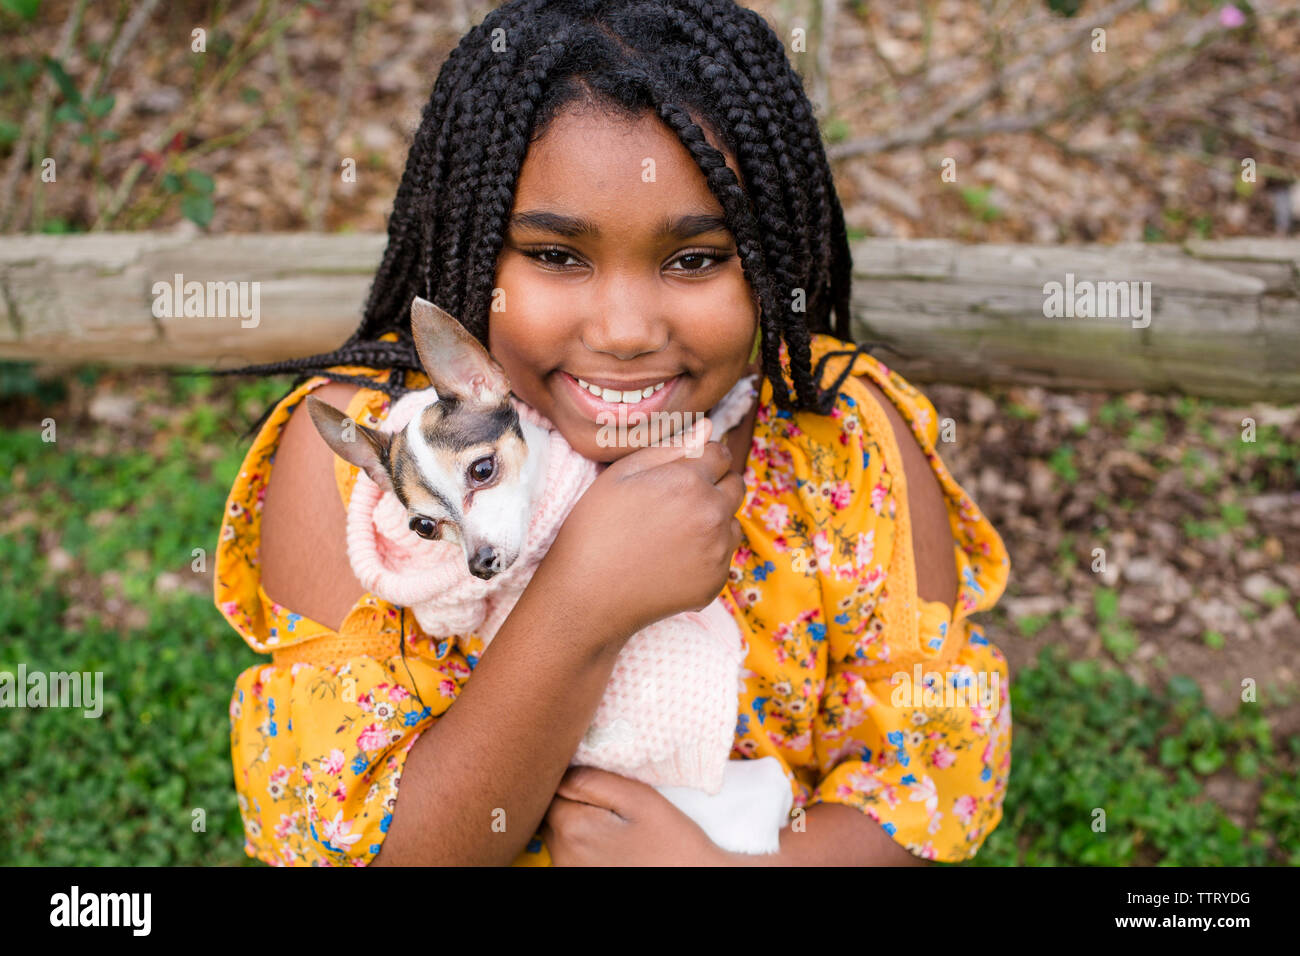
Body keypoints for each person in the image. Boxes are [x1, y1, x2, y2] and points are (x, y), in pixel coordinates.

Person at [212, 0, 1011, 866]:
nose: (626, 329)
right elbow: (362, 849)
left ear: (775, 257)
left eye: (696, 259)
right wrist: (578, 608)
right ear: (472, 247)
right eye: (557, 257)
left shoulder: (845, 446)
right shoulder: (374, 469)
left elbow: (918, 791)